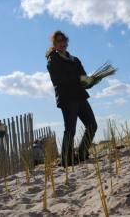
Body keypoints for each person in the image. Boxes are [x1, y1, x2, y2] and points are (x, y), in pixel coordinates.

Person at [46, 30, 98, 167]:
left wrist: (89, 82)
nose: (62, 43)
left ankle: (81, 153)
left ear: (67, 42)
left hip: (80, 95)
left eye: (64, 40)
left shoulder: (75, 59)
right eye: (59, 41)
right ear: (55, 44)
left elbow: (83, 76)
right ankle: (66, 160)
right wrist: (78, 79)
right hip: (67, 98)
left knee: (92, 125)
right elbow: (58, 80)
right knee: (70, 130)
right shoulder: (53, 60)